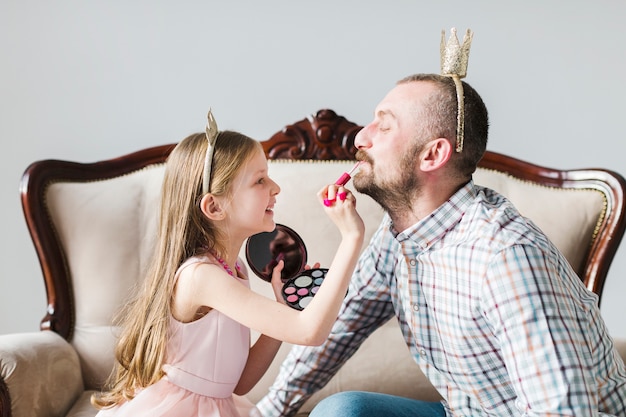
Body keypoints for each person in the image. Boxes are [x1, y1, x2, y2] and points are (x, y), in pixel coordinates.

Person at [255, 74, 626, 416]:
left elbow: (561, 412)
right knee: (342, 412)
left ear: (433, 155)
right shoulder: (397, 234)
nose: (360, 138)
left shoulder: (506, 256)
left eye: (383, 126)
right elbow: (339, 331)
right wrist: (264, 413)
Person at [90, 110, 365, 417]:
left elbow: (239, 382)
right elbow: (309, 331)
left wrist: (283, 308)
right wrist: (351, 237)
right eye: (260, 180)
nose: (275, 187)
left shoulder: (233, 270)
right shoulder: (201, 277)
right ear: (214, 206)